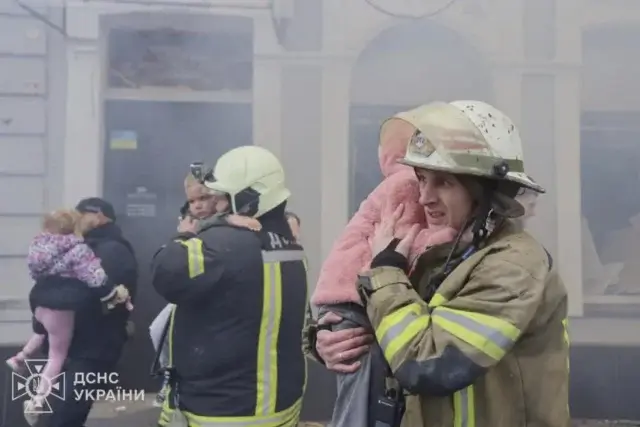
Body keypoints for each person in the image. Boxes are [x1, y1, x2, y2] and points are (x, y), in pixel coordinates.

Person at [306, 101, 570, 427]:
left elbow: (427, 364)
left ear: (487, 189)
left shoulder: (514, 265)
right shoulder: (442, 253)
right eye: (421, 179)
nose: (424, 197)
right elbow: (391, 327)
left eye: (444, 182)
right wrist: (328, 338)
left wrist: (385, 271)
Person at [151, 146, 308, 427]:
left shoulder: (225, 245)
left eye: (222, 199)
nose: (216, 206)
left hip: (221, 411)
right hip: (278, 405)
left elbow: (165, 270)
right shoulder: (291, 245)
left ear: (247, 200)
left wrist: (187, 234)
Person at [149, 173, 261, 407]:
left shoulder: (227, 220)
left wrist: (229, 219)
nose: (197, 206)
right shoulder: (190, 221)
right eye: (192, 201)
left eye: (203, 198)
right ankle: (168, 375)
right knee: (158, 329)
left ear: (218, 197)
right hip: (192, 287)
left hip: (216, 289)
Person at [29, 197, 138, 427]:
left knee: (62, 418)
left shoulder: (113, 251)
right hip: (69, 346)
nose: (76, 218)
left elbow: (85, 297)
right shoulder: (75, 245)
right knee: (54, 416)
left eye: (82, 213)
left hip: (91, 350)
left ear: (99, 216)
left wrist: (43, 305)